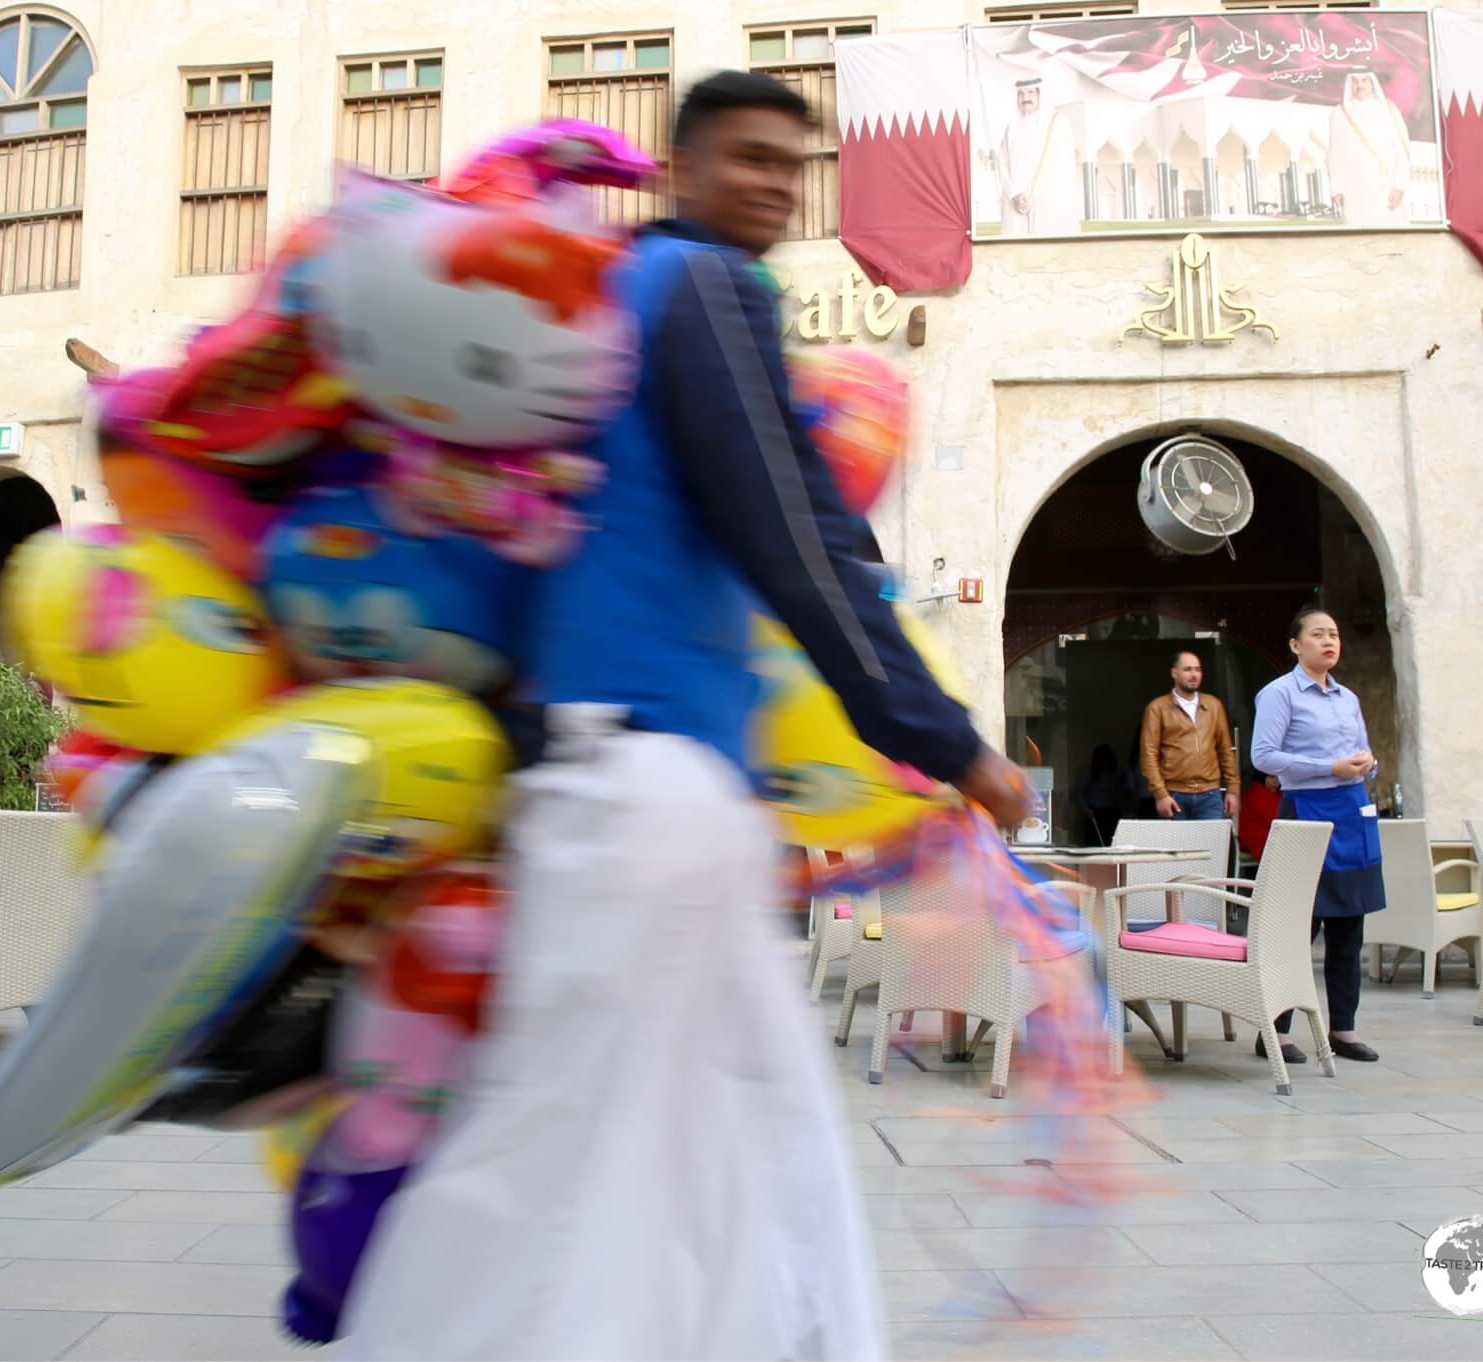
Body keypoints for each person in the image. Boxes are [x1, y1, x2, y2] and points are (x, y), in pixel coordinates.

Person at [340, 71, 1030, 1360]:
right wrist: (947, 741)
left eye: (791, 161)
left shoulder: (606, 301)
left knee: (705, 1138)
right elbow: (796, 533)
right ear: (678, 171)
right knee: (592, 1157)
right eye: (744, 157)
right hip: (647, 793)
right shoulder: (708, 289)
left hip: (607, 788)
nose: (773, 182)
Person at [1250, 606, 1385, 1065]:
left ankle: (1343, 1029)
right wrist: (1328, 768)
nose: (1329, 641)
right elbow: (1264, 756)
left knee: (1351, 924)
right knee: (1296, 925)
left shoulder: (1347, 697)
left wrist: (1368, 764)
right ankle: (1276, 1029)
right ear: (1295, 644)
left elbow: (1362, 751)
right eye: (1318, 634)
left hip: (1352, 810)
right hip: (1305, 811)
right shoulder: (1280, 693)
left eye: (1335, 634)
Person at [1138, 650, 1241, 822]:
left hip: (1210, 794)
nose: (1194, 675)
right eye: (1188, 669)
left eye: (1198, 669)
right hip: (1174, 794)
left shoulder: (1213, 705)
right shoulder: (1158, 708)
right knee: (1178, 848)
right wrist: (1160, 794)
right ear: (1174, 673)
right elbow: (1148, 755)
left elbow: (1225, 750)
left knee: (1212, 847)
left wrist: (1233, 789)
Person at [996, 78, 1082, 236]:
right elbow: (1001, 163)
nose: (1025, 98)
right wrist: (1014, 194)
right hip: (1015, 205)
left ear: (1040, 94)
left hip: (1047, 207)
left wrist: (1035, 198)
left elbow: (1063, 169)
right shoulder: (1012, 127)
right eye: (1020, 94)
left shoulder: (1058, 123)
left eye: (1030, 92)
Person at [1327, 70, 1413, 227]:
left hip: (1386, 188)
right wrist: (1336, 188)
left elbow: (1401, 151)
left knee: (1394, 240)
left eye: (1364, 80)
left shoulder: (1388, 110)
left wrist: (1399, 186)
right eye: (1355, 81)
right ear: (1349, 84)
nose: (1359, 85)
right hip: (1354, 191)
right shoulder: (1339, 113)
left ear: (1372, 83)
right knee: (1360, 243)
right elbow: (1335, 154)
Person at [1080, 743, 1125, 845]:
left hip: (1112, 812)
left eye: (1107, 759)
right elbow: (1079, 793)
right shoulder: (1089, 773)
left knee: (1111, 840)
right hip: (1094, 813)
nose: (1105, 762)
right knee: (1094, 841)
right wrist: (1085, 809)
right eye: (1102, 759)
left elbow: (1120, 794)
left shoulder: (1116, 774)